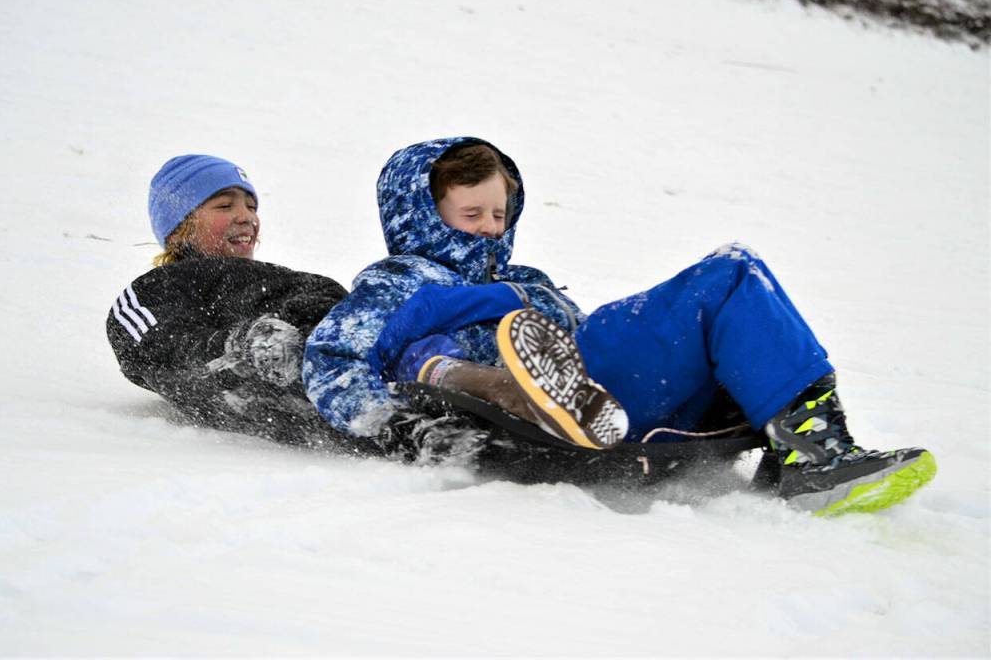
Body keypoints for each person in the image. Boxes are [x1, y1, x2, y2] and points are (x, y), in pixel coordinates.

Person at [304, 137, 936, 515]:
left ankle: (804, 443)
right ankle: (809, 455)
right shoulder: (402, 280)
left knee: (732, 281)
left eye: (499, 212)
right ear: (422, 216)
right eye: (471, 213)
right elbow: (331, 359)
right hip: (518, 394)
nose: (492, 228)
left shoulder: (529, 278)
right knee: (726, 277)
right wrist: (400, 426)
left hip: (595, 378)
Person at [106, 154, 358, 450]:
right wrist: (235, 345)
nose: (247, 217)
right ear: (177, 231)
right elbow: (154, 348)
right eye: (225, 205)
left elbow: (335, 305)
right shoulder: (159, 287)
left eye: (251, 206)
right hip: (312, 395)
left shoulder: (275, 277)